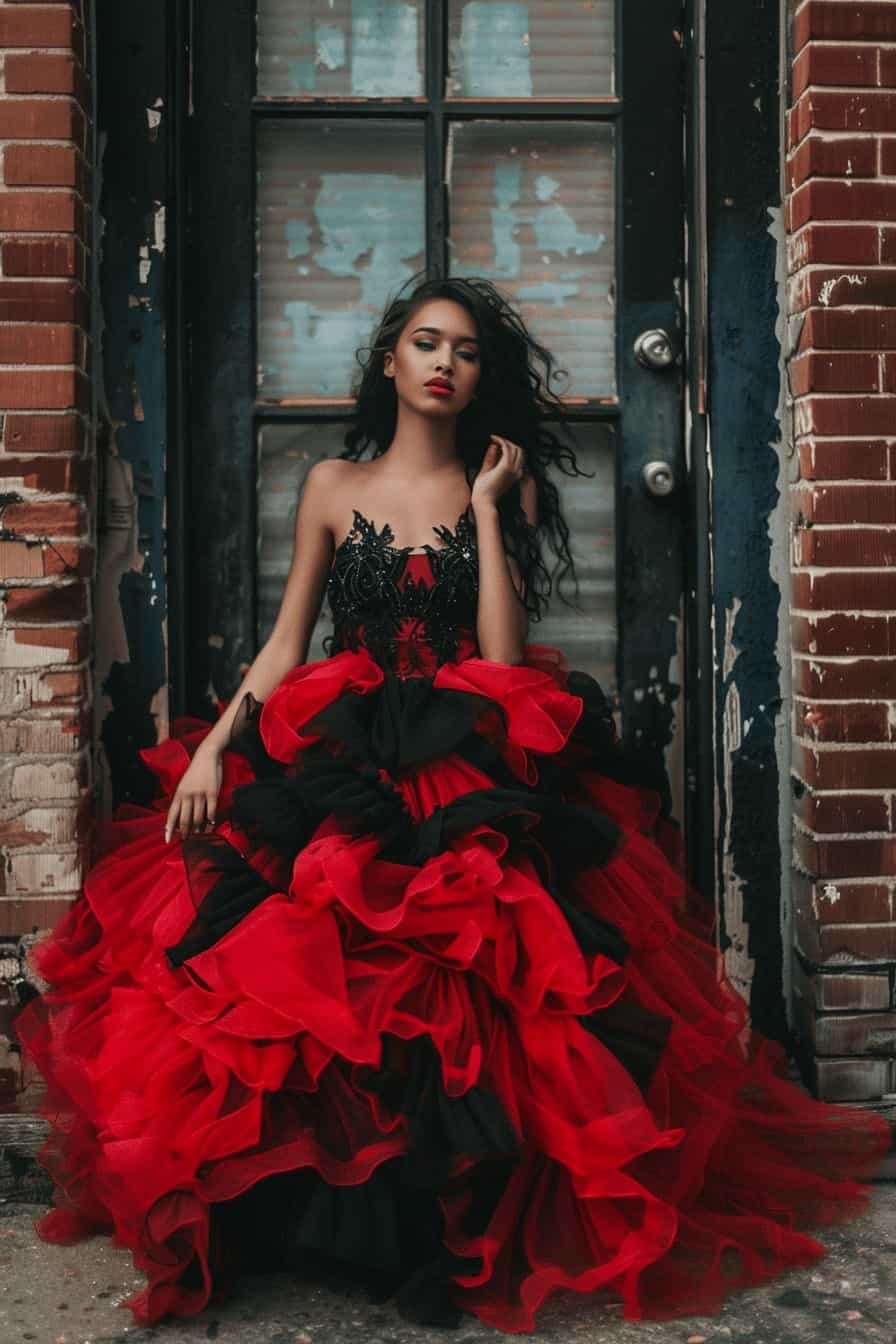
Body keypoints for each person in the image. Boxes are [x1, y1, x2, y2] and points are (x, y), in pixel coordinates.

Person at [16, 275, 891, 1333]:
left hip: (463, 748)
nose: (443, 362)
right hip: (336, 744)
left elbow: (501, 656)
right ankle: (316, 1214)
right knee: (298, 956)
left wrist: (483, 512)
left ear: (480, 377)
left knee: (475, 974)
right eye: (424, 343)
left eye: (465, 350)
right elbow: (289, 643)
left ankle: (445, 1223)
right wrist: (212, 753)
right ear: (388, 362)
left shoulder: (496, 487)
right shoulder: (331, 485)